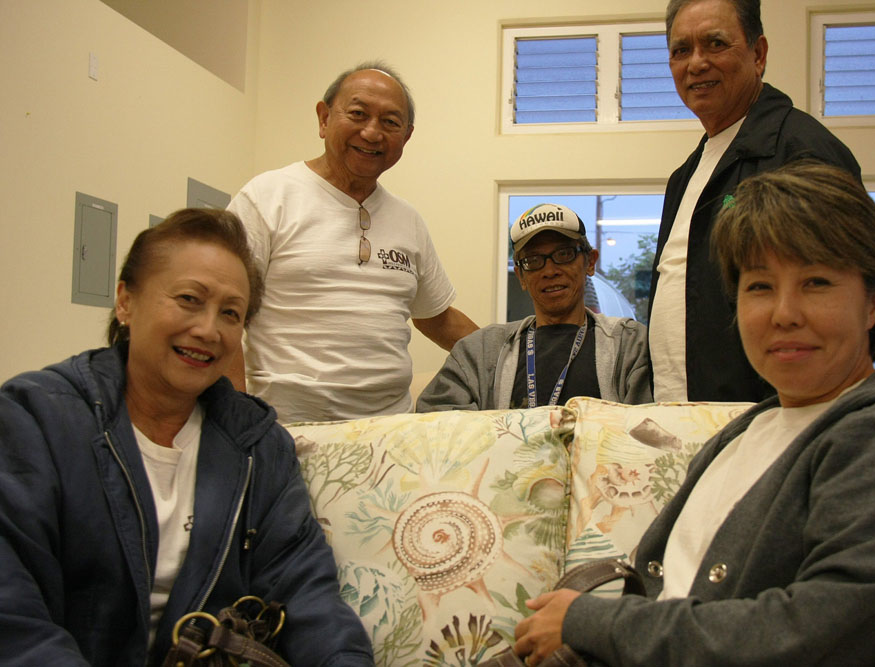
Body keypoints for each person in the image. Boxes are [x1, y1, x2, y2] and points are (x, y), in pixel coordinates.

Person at [513, 162, 875, 666]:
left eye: (816, 282)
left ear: (874, 302)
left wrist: (591, 621)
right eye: (760, 286)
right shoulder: (754, 426)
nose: (784, 314)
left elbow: (820, 633)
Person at [0, 209, 373, 665]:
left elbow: (307, 595)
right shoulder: (35, 418)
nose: (208, 330)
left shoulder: (258, 447)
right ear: (125, 301)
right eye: (189, 299)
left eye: (230, 313)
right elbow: (13, 618)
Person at [227, 61, 477, 422]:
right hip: (285, 430)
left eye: (390, 122)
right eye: (358, 114)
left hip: (390, 432)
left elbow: (437, 319)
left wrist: (515, 354)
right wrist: (236, 418)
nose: (372, 133)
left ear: (406, 137)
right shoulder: (266, 197)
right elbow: (223, 311)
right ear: (324, 118)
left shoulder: (408, 220)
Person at [647, 0, 861, 403]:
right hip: (684, 418)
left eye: (715, 44)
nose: (696, 63)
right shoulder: (685, 176)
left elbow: (839, 303)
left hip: (771, 420)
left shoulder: (802, 152)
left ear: (758, 54)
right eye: (681, 50)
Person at [417, 204, 651, 411]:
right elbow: (436, 420)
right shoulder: (480, 351)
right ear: (521, 275)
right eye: (533, 261)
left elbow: (650, 426)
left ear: (590, 262)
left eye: (564, 254)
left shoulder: (629, 345)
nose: (549, 271)